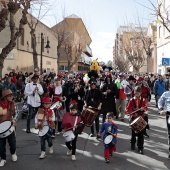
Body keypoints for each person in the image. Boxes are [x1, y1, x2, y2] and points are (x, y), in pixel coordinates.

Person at [126, 86, 148, 154]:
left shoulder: (143, 100)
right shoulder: (131, 100)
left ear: (140, 93)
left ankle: (140, 148)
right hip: (134, 117)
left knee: (140, 134)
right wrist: (128, 113)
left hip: (141, 118)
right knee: (133, 133)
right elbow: (128, 108)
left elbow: (146, 108)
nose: (136, 94)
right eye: (135, 93)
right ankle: (133, 143)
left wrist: (143, 109)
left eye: (138, 93)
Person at [0, 89, 17, 167]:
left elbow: (16, 113)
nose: (11, 97)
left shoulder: (12, 104)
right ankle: (3, 159)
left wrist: (14, 119)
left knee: (13, 143)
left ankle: (13, 153)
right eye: (10, 96)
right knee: (1, 146)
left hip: (10, 125)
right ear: (5, 97)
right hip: (0, 127)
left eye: (11, 95)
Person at [158, 90, 170, 159]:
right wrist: (161, 109)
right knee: (169, 133)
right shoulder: (166, 93)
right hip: (168, 114)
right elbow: (160, 101)